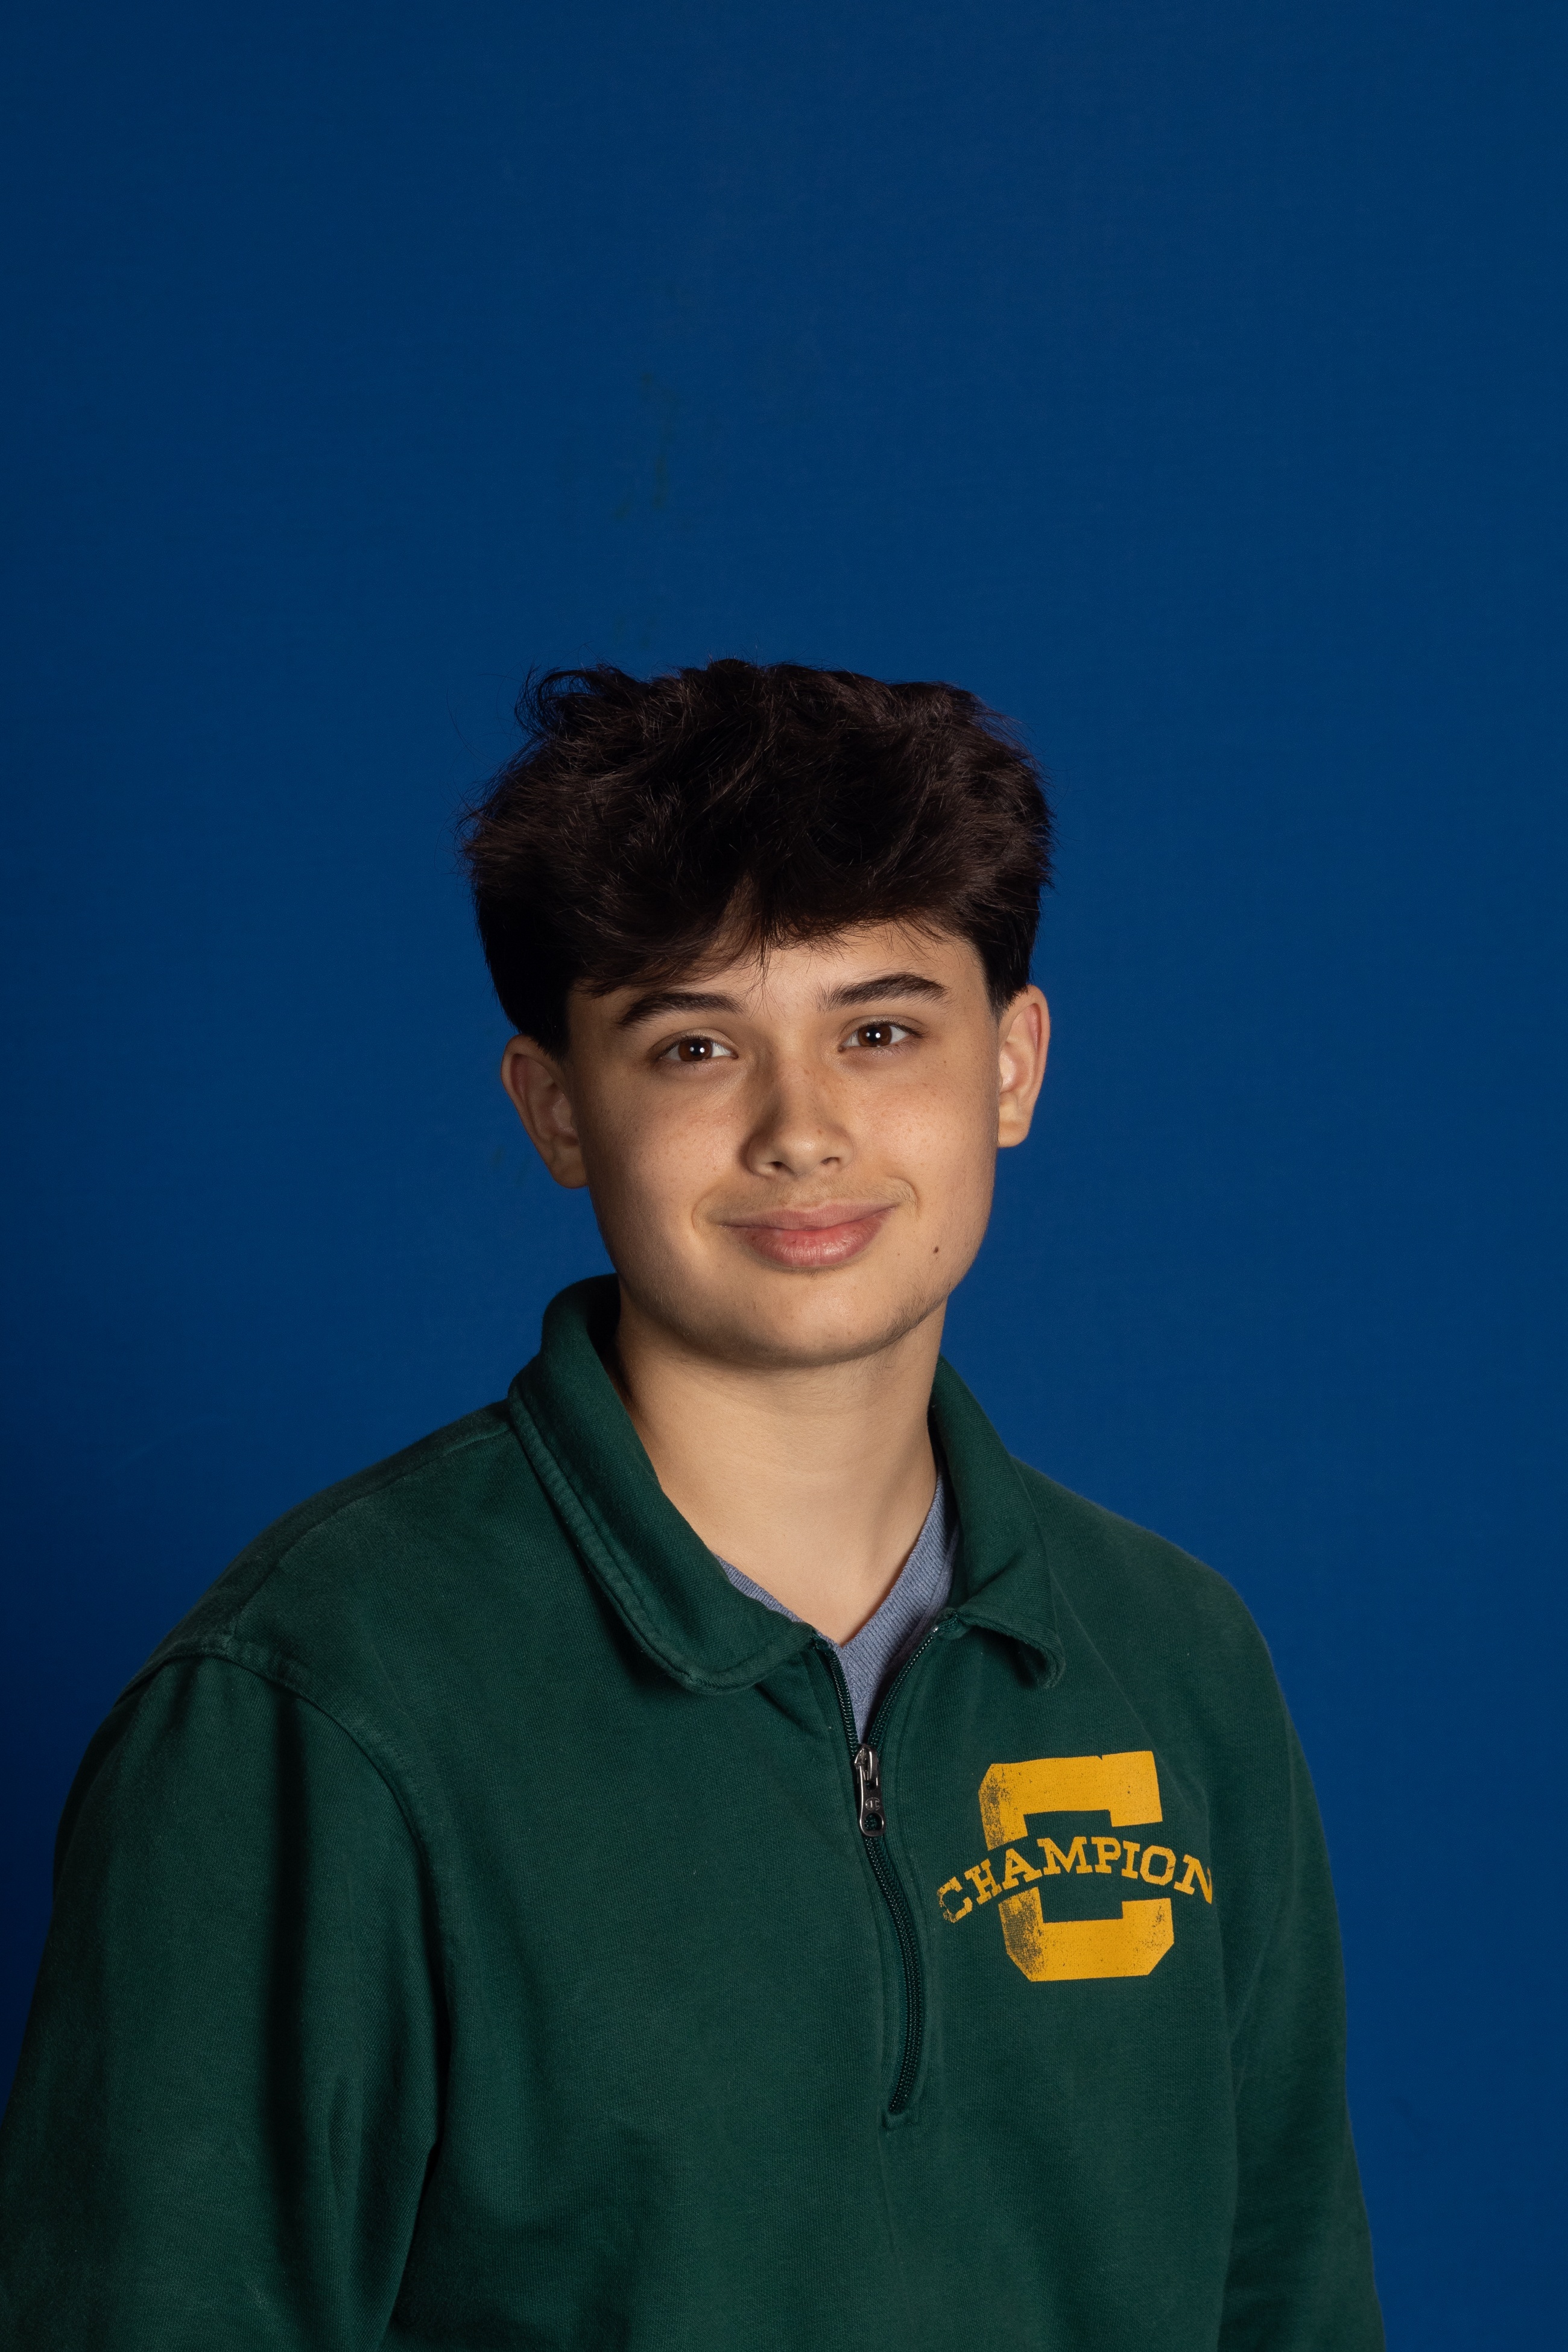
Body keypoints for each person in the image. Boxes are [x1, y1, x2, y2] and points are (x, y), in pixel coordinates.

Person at [0, 660, 1383, 2350]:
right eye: (697, 1045)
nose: (803, 1131)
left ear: (1013, 1065)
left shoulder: (1175, 1663)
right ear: (557, 1109)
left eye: (881, 1031)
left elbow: (1289, 2299)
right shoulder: (311, 1710)